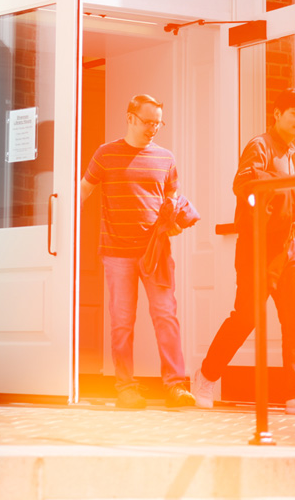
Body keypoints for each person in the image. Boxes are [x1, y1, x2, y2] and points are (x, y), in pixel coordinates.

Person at [190, 87, 295, 416]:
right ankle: (205, 376)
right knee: (247, 317)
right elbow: (244, 185)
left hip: (290, 248)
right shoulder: (260, 146)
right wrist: (288, 193)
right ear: (276, 114)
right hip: (259, 247)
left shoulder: (292, 153)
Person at [80, 94, 199, 410]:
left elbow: (172, 199)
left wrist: (175, 221)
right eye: (148, 122)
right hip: (117, 252)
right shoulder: (105, 154)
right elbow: (83, 191)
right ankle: (126, 388)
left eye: (158, 123)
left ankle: (175, 387)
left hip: (156, 252)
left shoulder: (166, 158)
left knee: (166, 316)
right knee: (122, 320)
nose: (154, 129)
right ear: (130, 117)